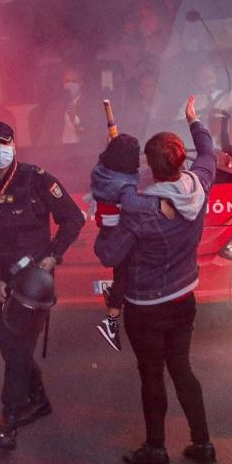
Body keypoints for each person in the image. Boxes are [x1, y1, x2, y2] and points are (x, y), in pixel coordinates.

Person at [95, 97, 217, 464]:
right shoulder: (201, 183)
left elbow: (109, 255)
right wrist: (194, 121)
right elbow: (209, 151)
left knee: (152, 375)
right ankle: (203, 443)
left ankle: (156, 448)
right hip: (183, 297)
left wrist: (109, 220)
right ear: (181, 161)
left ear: (150, 166)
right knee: (182, 369)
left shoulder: (139, 211)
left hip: (146, 307)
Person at [0, 120, 83, 450]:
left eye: (5, 141)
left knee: (17, 351)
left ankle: (9, 418)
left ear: (14, 144)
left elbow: (74, 218)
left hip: (33, 282)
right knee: (9, 349)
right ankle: (39, 399)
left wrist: (53, 256)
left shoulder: (37, 179)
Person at [91, 133, 142, 352]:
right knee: (124, 273)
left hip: (106, 228)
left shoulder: (100, 171)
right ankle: (111, 322)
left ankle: (113, 298)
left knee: (120, 273)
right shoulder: (125, 185)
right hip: (119, 230)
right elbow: (132, 207)